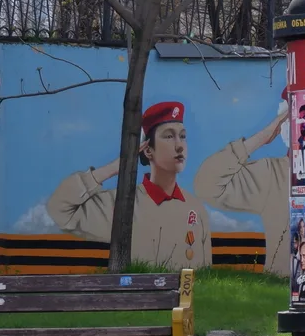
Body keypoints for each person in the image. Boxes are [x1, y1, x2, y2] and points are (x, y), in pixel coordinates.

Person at [47, 101, 213, 268]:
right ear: (148, 150)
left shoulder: (195, 209)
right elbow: (59, 208)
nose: (180, 146)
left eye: (183, 136)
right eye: (169, 136)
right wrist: (116, 167)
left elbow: (206, 275)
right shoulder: (120, 205)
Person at [195, 101, 293, 274]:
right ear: (285, 126)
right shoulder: (273, 174)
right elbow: (206, 185)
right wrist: (263, 137)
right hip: (281, 294)